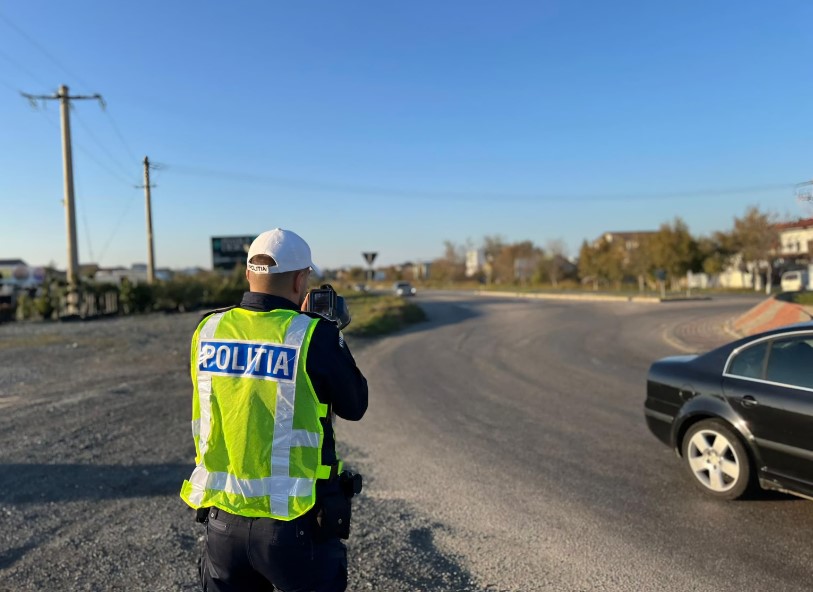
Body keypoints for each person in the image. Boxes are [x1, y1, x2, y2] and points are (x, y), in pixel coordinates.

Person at [180, 228, 368, 592]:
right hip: (294, 525)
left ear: (249, 274)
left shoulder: (208, 329)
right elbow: (355, 404)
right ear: (301, 280)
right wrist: (333, 335)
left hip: (222, 524)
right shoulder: (313, 335)